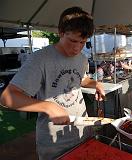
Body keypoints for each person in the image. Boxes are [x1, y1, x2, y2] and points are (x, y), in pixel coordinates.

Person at [0, 7, 105, 160]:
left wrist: (96, 84)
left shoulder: (82, 59)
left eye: (82, 42)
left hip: (83, 132)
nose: (77, 47)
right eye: (73, 41)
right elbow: (7, 97)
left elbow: (81, 79)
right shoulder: (40, 59)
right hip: (55, 143)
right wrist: (47, 106)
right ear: (60, 33)